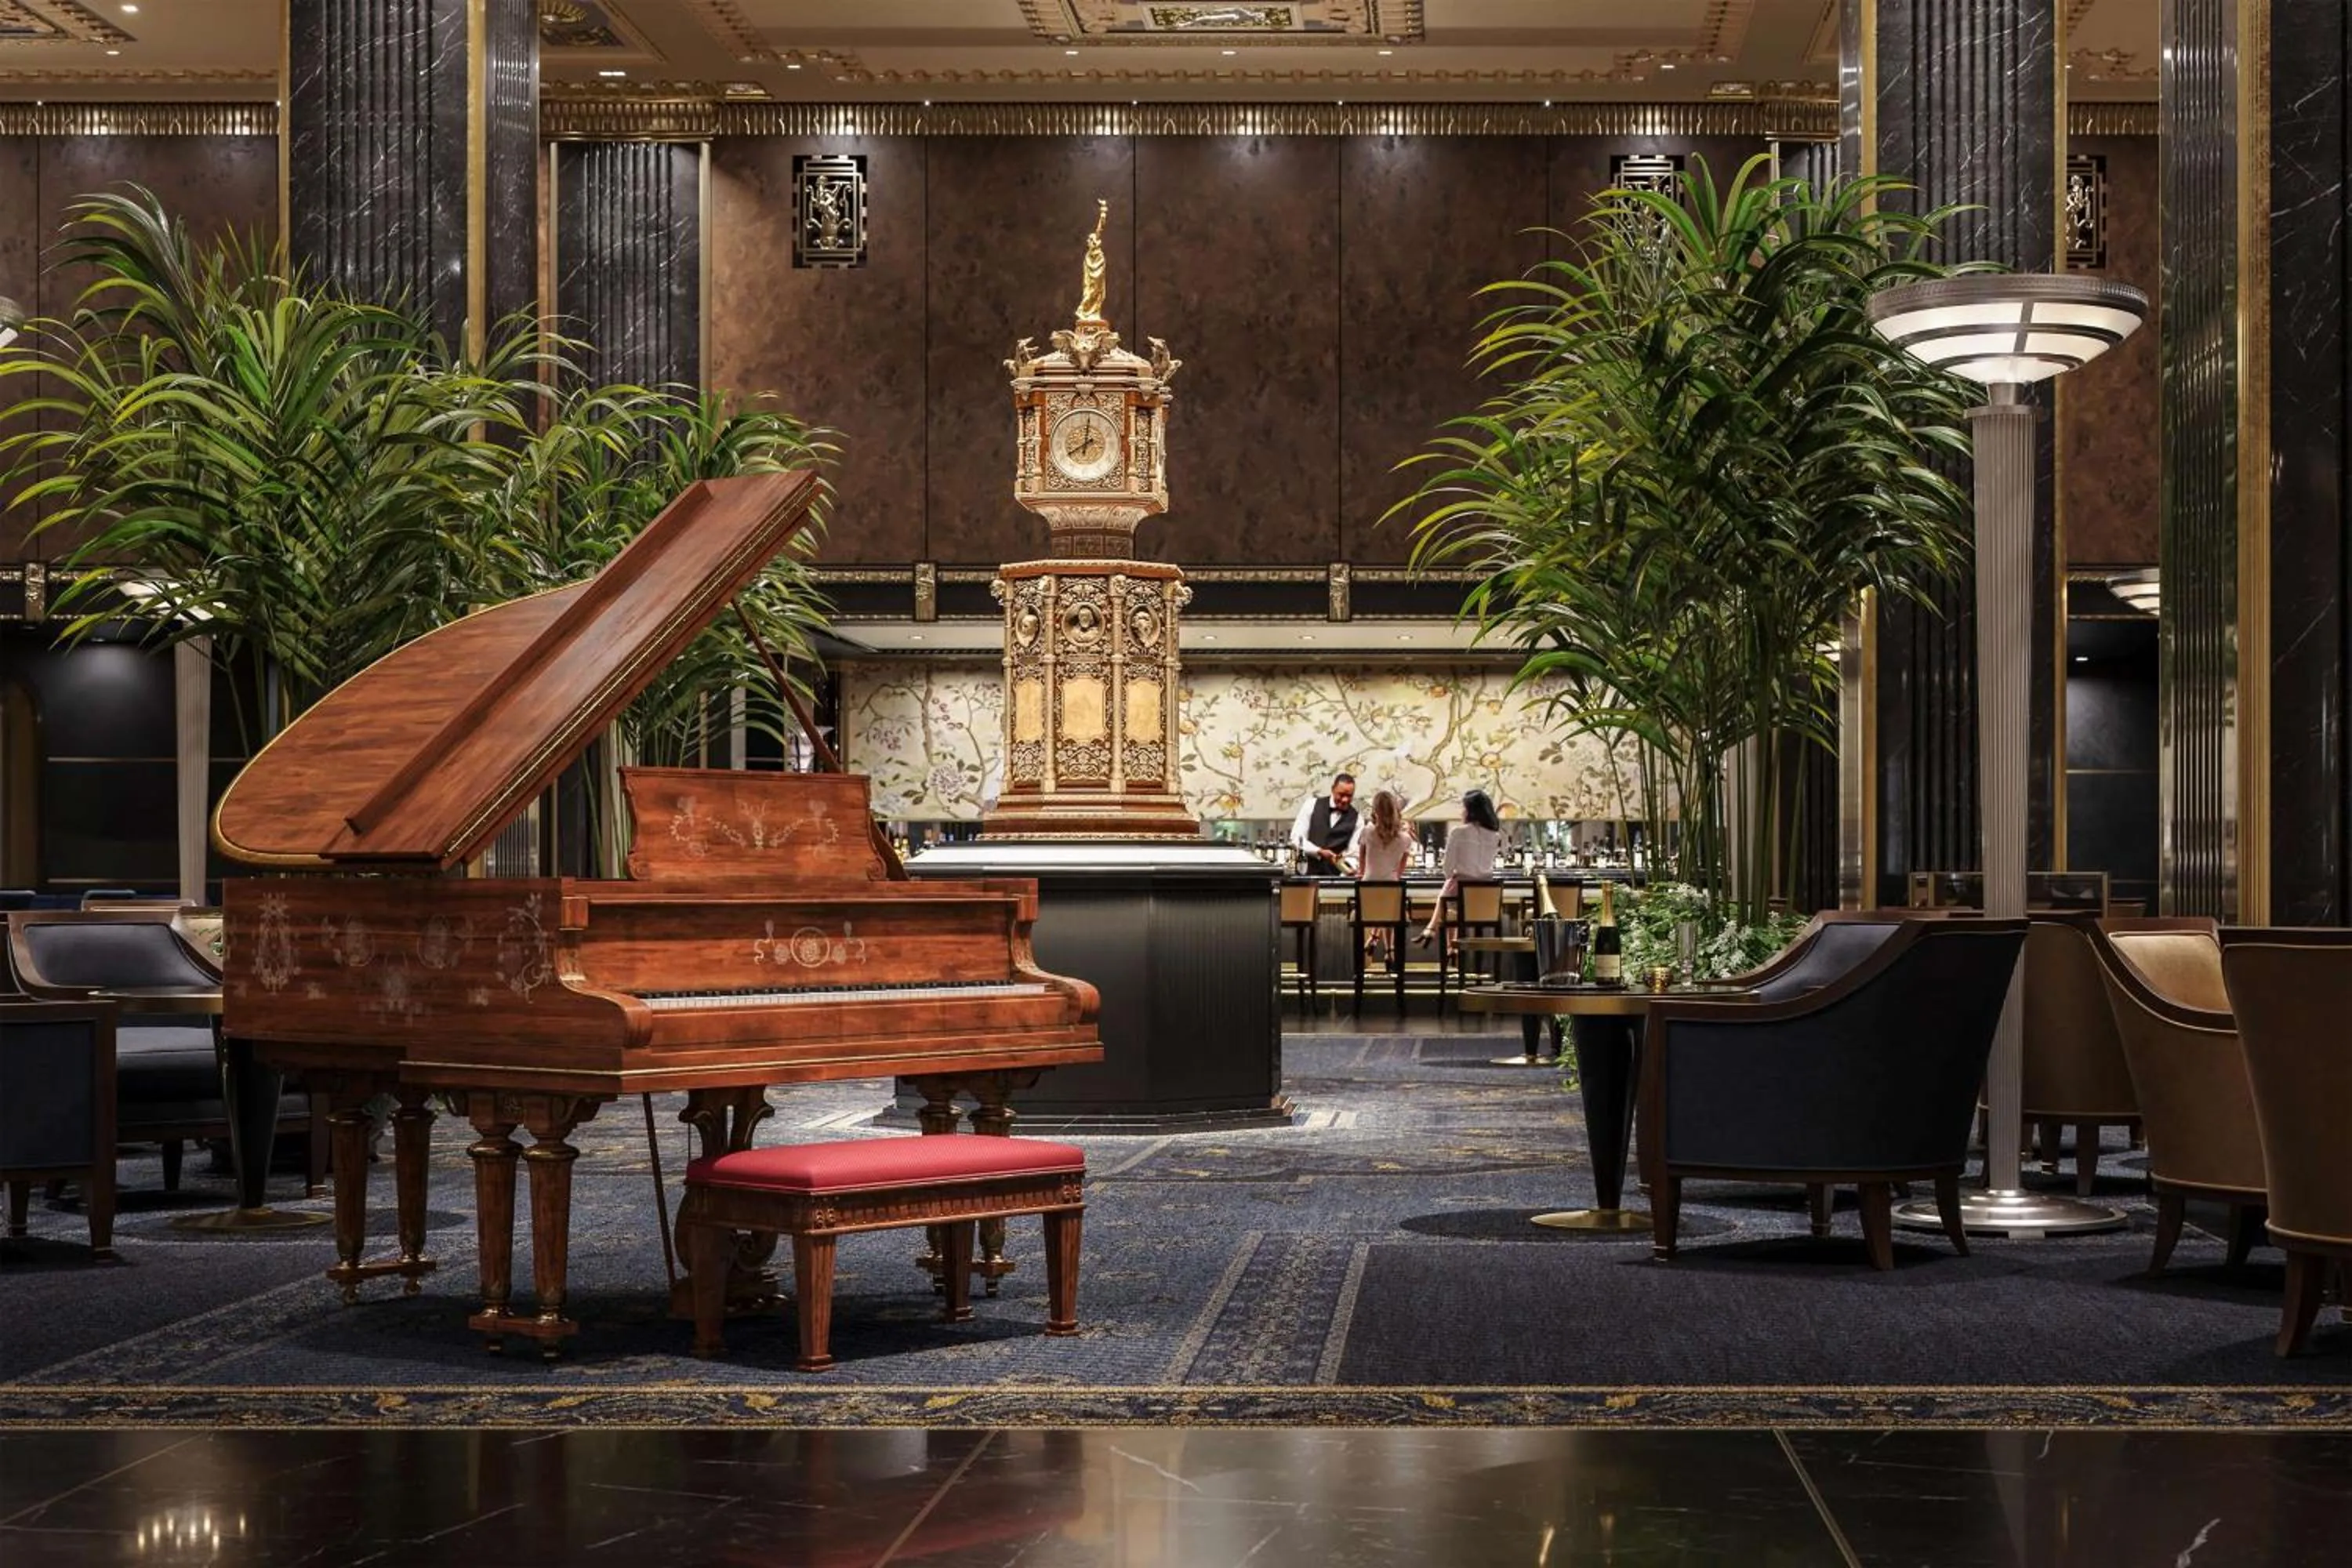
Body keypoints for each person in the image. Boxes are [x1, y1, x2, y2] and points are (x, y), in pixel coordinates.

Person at [1418, 788, 1503, 944]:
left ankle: (1437, 933)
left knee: (1450, 887)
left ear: (1470, 811)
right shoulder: (1495, 836)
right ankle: (1448, 942)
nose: (1461, 812)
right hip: (1487, 896)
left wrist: (1455, 874)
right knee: (1451, 888)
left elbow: (1447, 869)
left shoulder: (1458, 832)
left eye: (1463, 807)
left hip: (1461, 892)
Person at [1352, 789, 1415, 960]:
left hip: (1367, 897)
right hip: (1391, 895)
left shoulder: (1367, 832)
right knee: (1390, 899)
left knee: (1380, 895)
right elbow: (1400, 871)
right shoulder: (1406, 839)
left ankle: (1374, 936)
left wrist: (1361, 873)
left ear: (1375, 811)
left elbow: (1362, 866)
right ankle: (1389, 950)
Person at [1288, 772, 1359, 876]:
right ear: (1333, 789)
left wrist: (1346, 871)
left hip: (1336, 881)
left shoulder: (1358, 819)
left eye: (1349, 796)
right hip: (1306, 877)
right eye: (1341, 794)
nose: (1345, 800)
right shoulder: (1311, 805)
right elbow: (1296, 839)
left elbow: (1353, 854)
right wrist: (1318, 851)